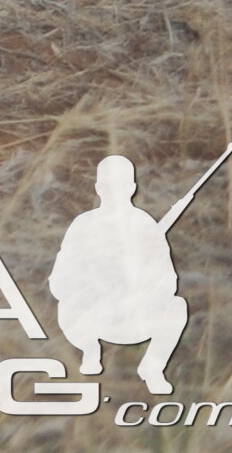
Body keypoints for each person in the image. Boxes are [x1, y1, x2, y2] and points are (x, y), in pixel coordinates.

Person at [49, 153, 193, 392]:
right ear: (98, 187)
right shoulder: (83, 225)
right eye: (107, 185)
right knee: (65, 308)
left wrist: (139, 291)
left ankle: (153, 368)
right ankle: (90, 351)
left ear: (132, 188)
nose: (113, 191)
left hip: (135, 319)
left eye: (121, 185)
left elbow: (168, 281)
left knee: (177, 307)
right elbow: (59, 280)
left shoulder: (145, 225)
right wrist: (93, 288)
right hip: (94, 318)